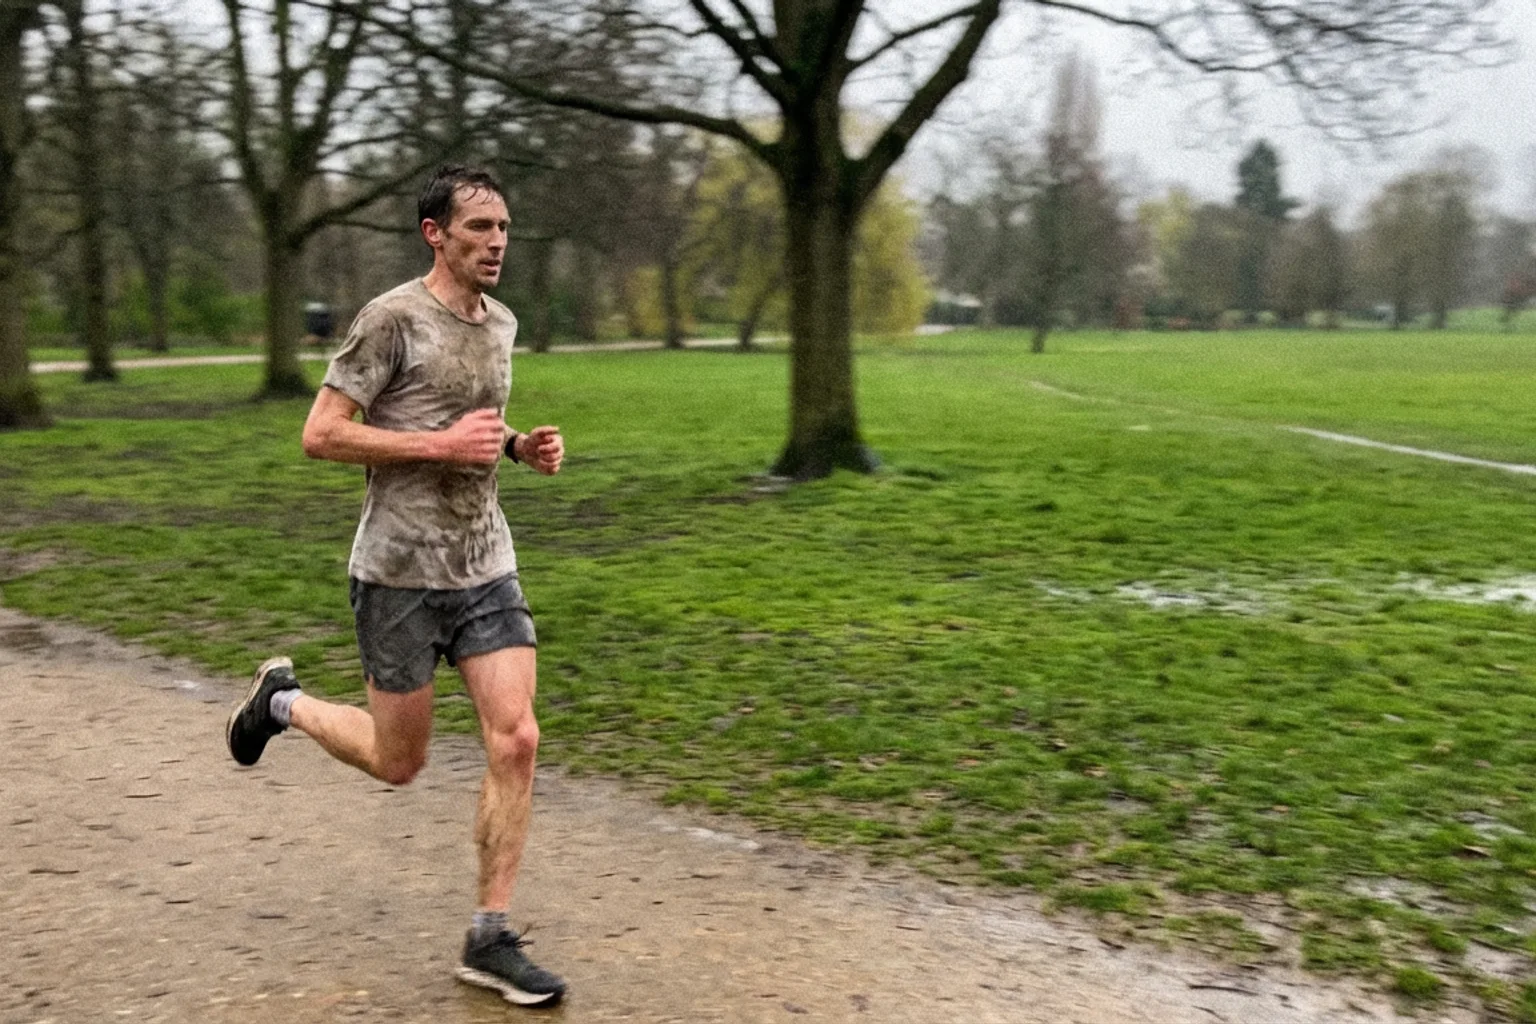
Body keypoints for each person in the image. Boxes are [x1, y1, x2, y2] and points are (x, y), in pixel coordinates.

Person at [225, 165, 567, 1007]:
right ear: (435, 234)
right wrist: (442, 450)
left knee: (516, 738)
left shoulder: (503, 325)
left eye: (504, 228)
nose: (496, 243)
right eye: (480, 228)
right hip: (398, 574)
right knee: (399, 761)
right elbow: (322, 435)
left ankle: (490, 936)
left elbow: (470, 425)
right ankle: (282, 703)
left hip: (485, 562)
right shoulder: (390, 320)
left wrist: (518, 448)